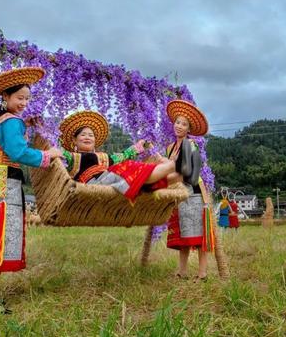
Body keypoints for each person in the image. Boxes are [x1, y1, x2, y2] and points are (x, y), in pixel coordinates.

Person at [0, 67, 63, 314]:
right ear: (6, 97)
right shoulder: (10, 121)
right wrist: (48, 154)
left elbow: (6, 143)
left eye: (27, 99)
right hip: (2, 184)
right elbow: (18, 152)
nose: (24, 103)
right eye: (19, 98)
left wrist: (26, 126)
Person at [58, 111, 187, 203]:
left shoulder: (102, 156)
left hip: (112, 180)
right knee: (130, 167)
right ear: (74, 140)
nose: (87, 137)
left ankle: (180, 173)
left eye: (91, 135)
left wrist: (137, 147)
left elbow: (122, 156)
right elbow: (57, 157)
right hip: (93, 185)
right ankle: (173, 165)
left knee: (142, 182)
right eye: (83, 135)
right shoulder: (71, 157)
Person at [165, 99, 215, 281]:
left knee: (197, 234)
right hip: (178, 194)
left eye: (184, 124)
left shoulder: (190, 145)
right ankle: (182, 271)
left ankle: (202, 273)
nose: (179, 126)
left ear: (188, 129)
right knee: (183, 235)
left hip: (192, 193)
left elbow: (186, 172)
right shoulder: (170, 148)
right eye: (177, 122)